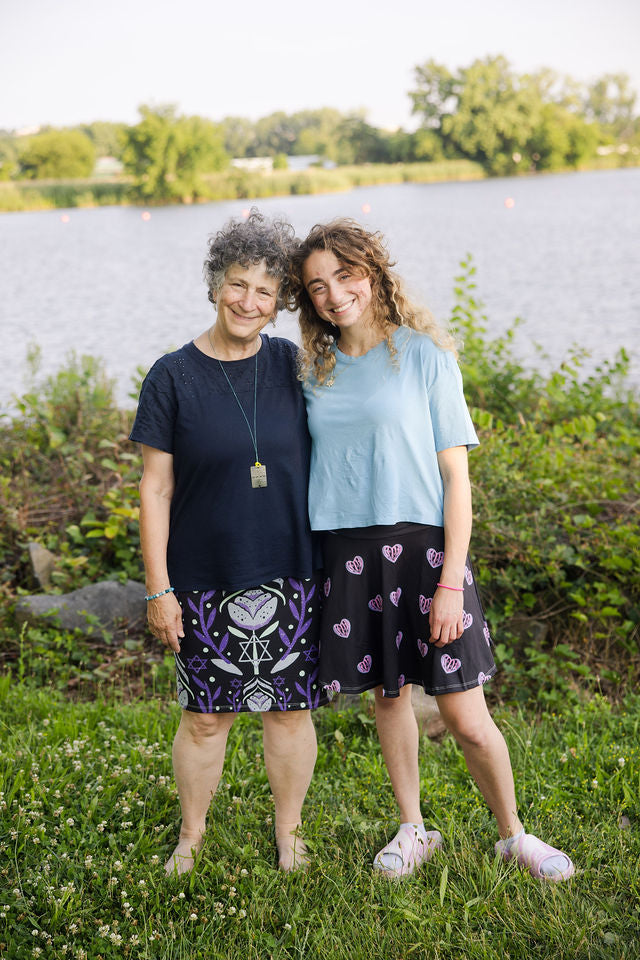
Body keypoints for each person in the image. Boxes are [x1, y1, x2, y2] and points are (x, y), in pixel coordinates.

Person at [289, 218, 575, 882]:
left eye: (345, 275)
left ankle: (514, 835)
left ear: (372, 272)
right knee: (389, 699)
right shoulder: (312, 370)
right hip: (351, 552)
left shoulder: (423, 353)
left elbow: (456, 480)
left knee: (466, 716)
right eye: (317, 286)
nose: (334, 294)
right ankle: (414, 828)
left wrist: (450, 581)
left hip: (426, 553)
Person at [130, 209, 327, 876]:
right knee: (206, 720)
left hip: (294, 573)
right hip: (203, 577)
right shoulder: (172, 377)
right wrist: (158, 588)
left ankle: (290, 831)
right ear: (216, 284)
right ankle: (191, 834)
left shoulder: (297, 367)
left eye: (266, 292)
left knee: (290, 714)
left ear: (280, 304)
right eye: (238, 284)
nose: (250, 301)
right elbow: (154, 489)